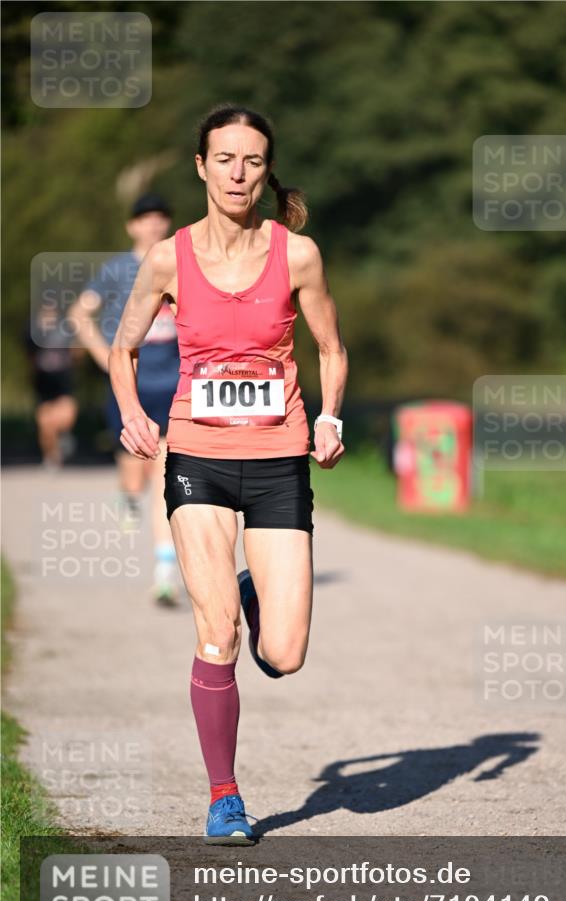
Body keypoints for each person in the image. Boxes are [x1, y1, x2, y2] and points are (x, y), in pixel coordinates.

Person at [109, 104, 348, 844]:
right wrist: (133, 414)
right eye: (224, 159)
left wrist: (330, 418)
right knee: (217, 634)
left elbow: (331, 348)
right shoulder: (167, 258)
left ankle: (250, 592)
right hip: (198, 459)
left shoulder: (297, 255)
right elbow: (122, 348)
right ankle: (224, 798)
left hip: (278, 460)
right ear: (201, 167)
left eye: (252, 161)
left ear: (266, 170)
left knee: (284, 654)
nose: (238, 174)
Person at [68, 194, 182, 606]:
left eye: (161, 218)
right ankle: (127, 497)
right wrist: (106, 358)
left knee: (165, 473)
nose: (154, 225)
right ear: (132, 226)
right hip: (129, 386)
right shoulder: (116, 269)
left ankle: (164, 572)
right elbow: (79, 314)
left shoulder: (180, 263)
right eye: (146, 218)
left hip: (174, 384)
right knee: (135, 476)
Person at [25, 302, 79, 469]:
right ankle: (52, 455)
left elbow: (77, 350)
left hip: (63, 381)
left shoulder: (66, 330)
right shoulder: (32, 331)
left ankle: (63, 437)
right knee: (45, 424)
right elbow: (29, 355)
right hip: (44, 383)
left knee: (67, 418)